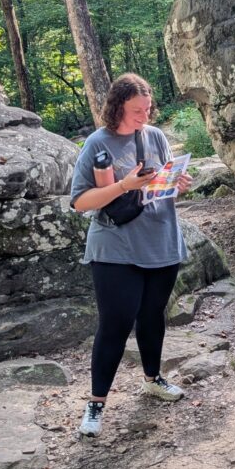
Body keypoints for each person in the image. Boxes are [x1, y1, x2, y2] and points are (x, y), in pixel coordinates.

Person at [70, 73, 192, 437]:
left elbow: (163, 185)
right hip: (115, 249)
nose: (144, 115)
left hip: (161, 241)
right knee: (115, 324)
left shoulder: (155, 136)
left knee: (153, 315)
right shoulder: (97, 143)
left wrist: (178, 184)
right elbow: (79, 202)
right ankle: (96, 404)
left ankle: (153, 378)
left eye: (148, 108)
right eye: (137, 110)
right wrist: (125, 184)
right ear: (118, 106)